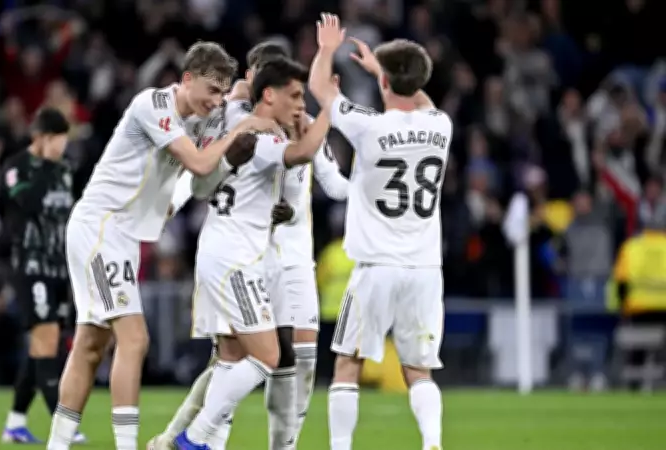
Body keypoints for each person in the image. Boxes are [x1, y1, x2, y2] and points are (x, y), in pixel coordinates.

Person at [45, 41, 277, 450]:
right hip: (101, 225)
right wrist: (241, 129)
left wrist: (229, 150)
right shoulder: (153, 105)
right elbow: (199, 162)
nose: (216, 101)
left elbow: (202, 183)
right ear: (186, 79)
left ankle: (57, 445)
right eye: (211, 89)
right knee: (134, 339)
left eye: (222, 93)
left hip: (123, 235)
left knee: (91, 344)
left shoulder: (205, 119)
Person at [150, 42, 348, 450]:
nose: (300, 103)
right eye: (294, 94)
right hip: (237, 256)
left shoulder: (259, 123)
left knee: (269, 358)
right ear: (261, 86)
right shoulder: (250, 126)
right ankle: (189, 438)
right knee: (251, 357)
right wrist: (332, 105)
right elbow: (297, 152)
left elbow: (329, 180)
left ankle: (202, 442)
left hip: (262, 255)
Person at [308, 14, 451, 450]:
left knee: (347, 363)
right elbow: (421, 99)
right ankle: (432, 443)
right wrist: (389, 73)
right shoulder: (441, 126)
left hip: (376, 267)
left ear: (385, 82)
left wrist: (326, 49)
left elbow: (320, 89)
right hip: (424, 269)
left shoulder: (369, 126)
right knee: (418, 369)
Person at [0, 107, 84, 443]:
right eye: (59, 140)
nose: (63, 147)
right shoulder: (16, 166)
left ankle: (15, 423)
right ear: (43, 138)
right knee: (46, 338)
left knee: (42, 345)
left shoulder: (66, 169)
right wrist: (46, 166)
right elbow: (28, 203)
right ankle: (63, 426)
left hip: (59, 266)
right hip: (31, 265)